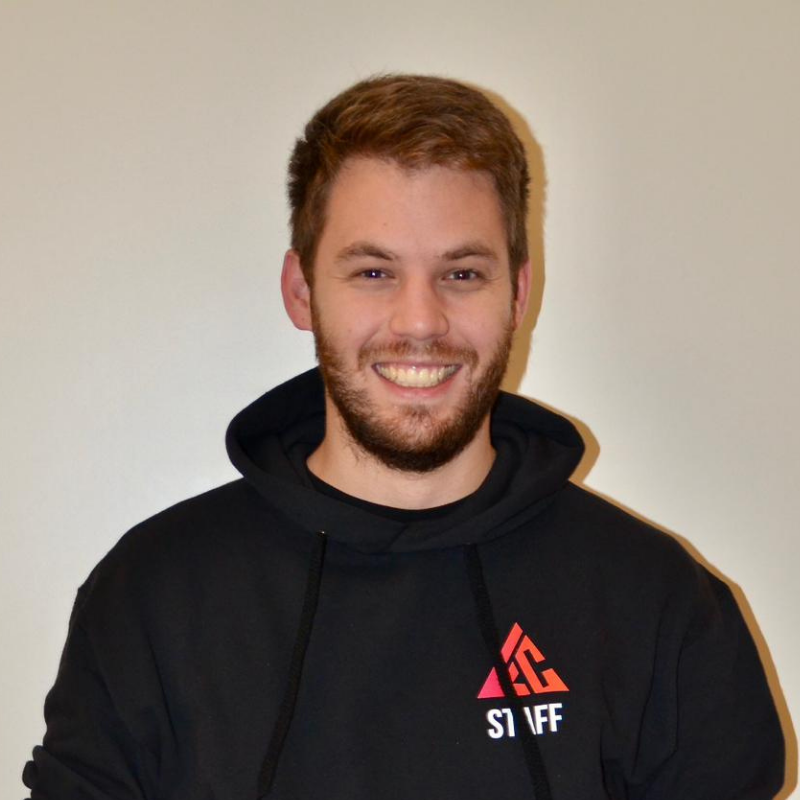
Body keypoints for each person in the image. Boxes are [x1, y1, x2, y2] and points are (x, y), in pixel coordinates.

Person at [24, 74, 784, 800]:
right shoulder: (156, 595)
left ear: (518, 292)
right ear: (300, 290)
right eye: (373, 273)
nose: (420, 321)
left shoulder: (653, 600)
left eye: (462, 274)